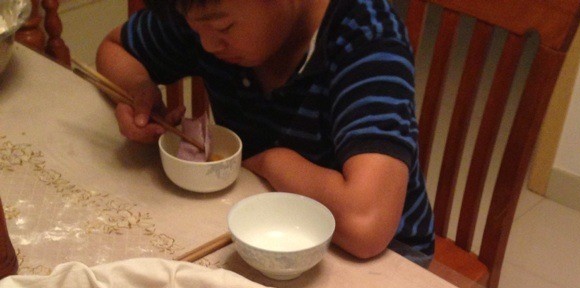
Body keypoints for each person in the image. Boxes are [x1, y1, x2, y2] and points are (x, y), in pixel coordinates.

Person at [96, 0, 435, 262]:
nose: (208, 45)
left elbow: (366, 224)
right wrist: (138, 89)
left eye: (225, 27)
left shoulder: (367, 36)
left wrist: (269, 161)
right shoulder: (202, 10)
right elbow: (114, 49)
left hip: (384, 257)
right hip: (266, 220)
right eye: (195, 30)